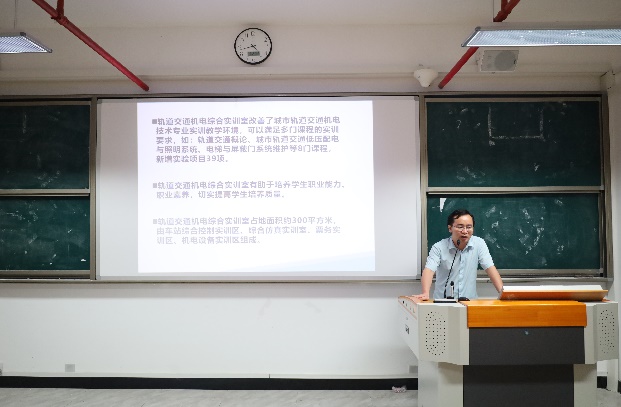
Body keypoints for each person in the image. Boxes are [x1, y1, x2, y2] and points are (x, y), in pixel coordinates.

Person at [414, 209, 503, 300]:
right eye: (460, 227)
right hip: (443, 302)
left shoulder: (479, 244)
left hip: (469, 302)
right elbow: (429, 270)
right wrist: (425, 292)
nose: (465, 231)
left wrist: (502, 293)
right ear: (450, 228)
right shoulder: (439, 247)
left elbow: (490, 268)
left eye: (469, 227)